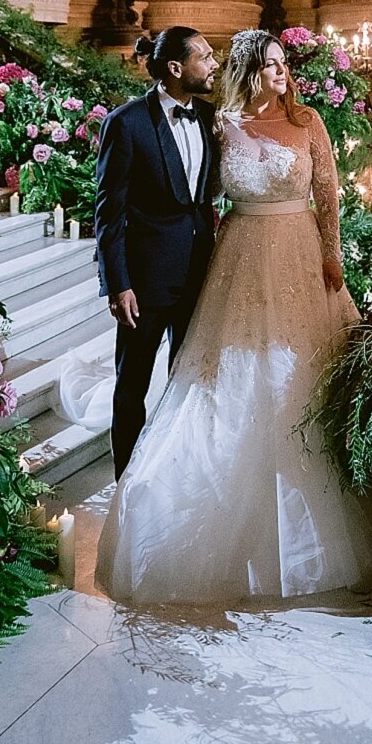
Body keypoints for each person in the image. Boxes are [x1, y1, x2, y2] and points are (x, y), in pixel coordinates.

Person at [96, 28, 372, 605]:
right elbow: (117, 206)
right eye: (273, 63)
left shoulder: (307, 124)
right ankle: (139, 494)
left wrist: (332, 257)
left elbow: (329, 195)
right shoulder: (215, 123)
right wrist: (119, 280)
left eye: (286, 63)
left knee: (293, 378)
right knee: (203, 383)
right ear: (251, 70)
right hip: (227, 261)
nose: (284, 72)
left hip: (297, 256)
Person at [95, 26, 220, 480]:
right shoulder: (126, 123)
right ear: (175, 68)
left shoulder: (209, 117)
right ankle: (127, 480)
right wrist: (118, 283)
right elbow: (109, 212)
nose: (214, 65)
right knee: (132, 387)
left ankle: (178, 473)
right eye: (205, 57)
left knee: (188, 381)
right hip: (144, 283)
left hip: (200, 275)